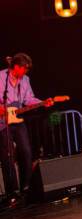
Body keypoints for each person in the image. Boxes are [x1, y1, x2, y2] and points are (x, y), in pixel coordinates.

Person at [0, 53, 53, 207]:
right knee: (7, 156)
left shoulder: (26, 80)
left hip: (18, 120)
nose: (25, 72)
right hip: (3, 123)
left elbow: (28, 99)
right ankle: (12, 192)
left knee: (26, 151)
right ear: (16, 66)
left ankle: (26, 187)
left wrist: (43, 102)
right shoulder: (1, 77)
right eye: (24, 68)